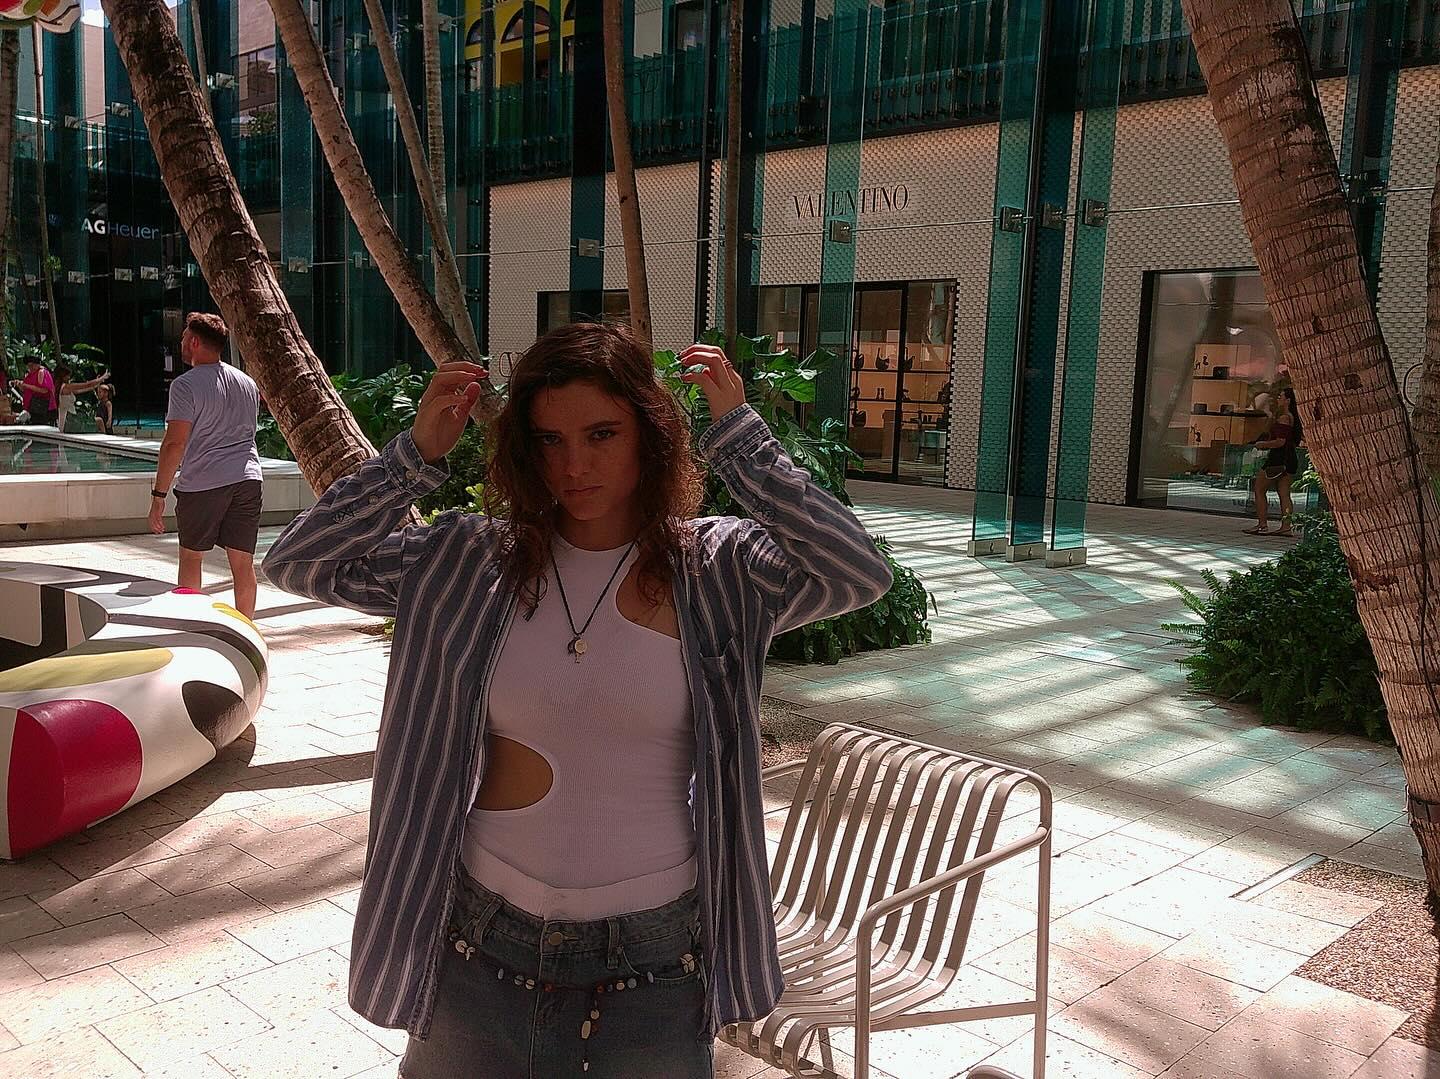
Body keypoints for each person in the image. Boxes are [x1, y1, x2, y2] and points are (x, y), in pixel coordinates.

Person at [262, 323, 891, 1078]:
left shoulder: (717, 570)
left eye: (602, 433)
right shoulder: (470, 560)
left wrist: (740, 439)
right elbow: (301, 562)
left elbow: (856, 571)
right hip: (479, 944)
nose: (574, 465)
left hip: (655, 964)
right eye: (549, 440)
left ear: (649, 434)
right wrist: (413, 458)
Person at [149, 313, 263, 618]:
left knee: (191, 557)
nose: (181, 343)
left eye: (184, 337)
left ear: (195, 342)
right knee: (243, 563)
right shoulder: (248, 383)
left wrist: (159, 495)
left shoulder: (184, 386)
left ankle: (192, 626)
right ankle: (247, 629)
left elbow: (174, 444)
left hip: (203, 482)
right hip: (248, 478)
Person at [1246, 385, 1302, 536]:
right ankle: (1286, 526)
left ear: (1288, 400)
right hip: (1289, 458)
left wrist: (1263, 444)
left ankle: (1262, 524)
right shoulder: (1293, 418)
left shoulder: (1284, 418)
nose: (1278, 399)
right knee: (1284, 493)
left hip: (1278, 459)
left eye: (1281, 396)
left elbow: (1280, 441)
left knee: (1259, 489)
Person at [54, 364, 110, 433]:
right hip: (69, 422)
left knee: (98, 421)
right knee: (99, 421)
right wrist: (101, 378)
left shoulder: (61, 387)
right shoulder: (66, 387)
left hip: (67, 422)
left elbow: (85, 388)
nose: (69, 377)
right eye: (67, 375)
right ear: (63, 376)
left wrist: (98, 383)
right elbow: (87, 384)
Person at [19, 358, 56, 426]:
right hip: (31, 406)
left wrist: (27, 386)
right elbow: (26, 390)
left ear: (38, 365)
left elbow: (44, 390)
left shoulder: (41, 372)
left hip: (41, 407)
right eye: (29, 366)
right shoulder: (29, 375)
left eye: (32, 365)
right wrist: (20, 385)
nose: (30, 368)